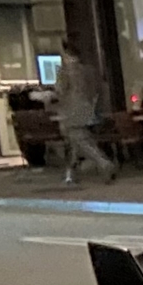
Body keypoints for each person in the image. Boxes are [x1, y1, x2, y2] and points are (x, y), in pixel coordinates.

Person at [51, 43, 115, 185]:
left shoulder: (64, 71)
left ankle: (103, 163)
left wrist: (45, 95)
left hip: (72, 112)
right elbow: (98, 89)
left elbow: (60, 91)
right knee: (78, 142)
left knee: (81, 141)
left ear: (67, 55)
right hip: (88, 110)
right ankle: (71, 174)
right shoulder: (88, 70)